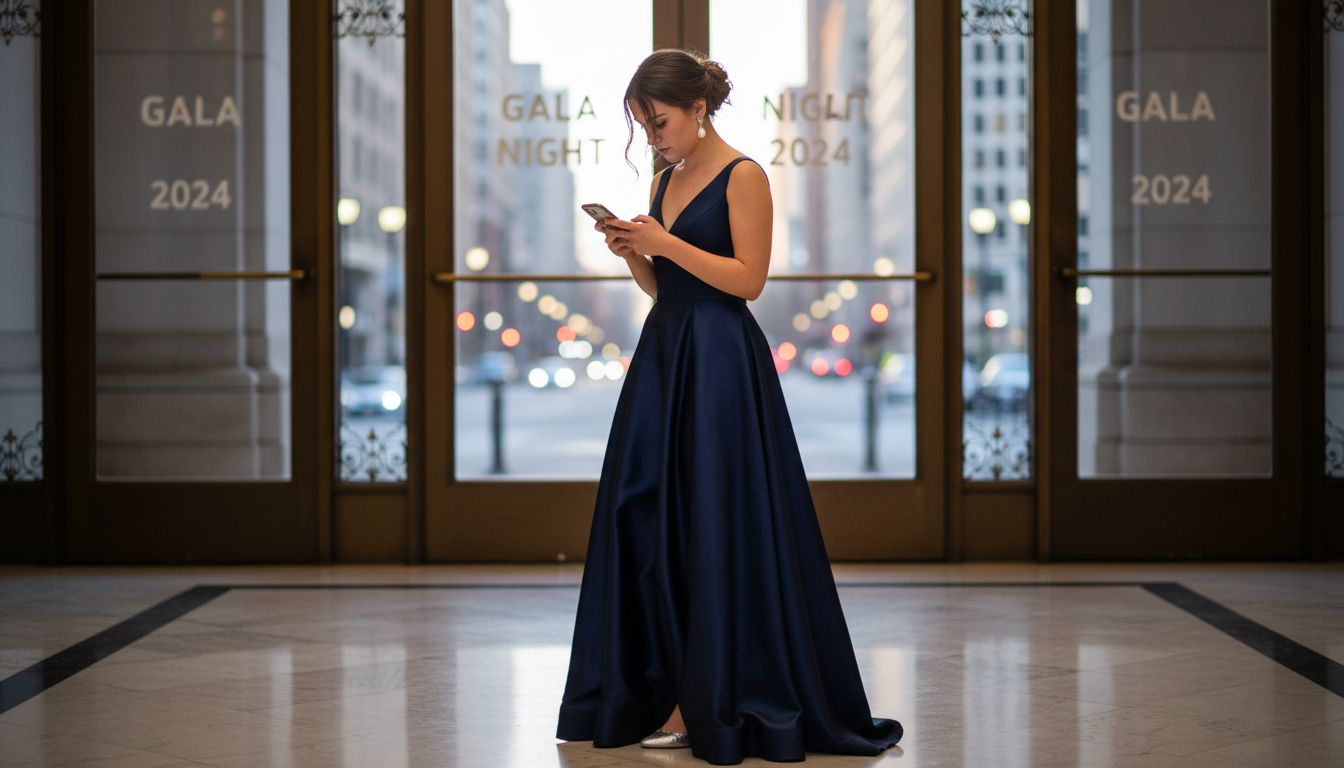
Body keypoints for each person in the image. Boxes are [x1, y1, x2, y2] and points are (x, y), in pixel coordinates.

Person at [554, 48, 904, 765]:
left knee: (717, 523)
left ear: (697, 109)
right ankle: (673, 691)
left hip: (719, 365)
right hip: (666, 355)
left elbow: (747, 281)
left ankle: (713, 696)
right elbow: (665, 289)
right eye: (643, 126)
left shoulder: (745, 175)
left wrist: (665, 243)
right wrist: (633, 249)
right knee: (653, 520)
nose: (652, 137)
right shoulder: (664, 178)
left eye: (658, 122)